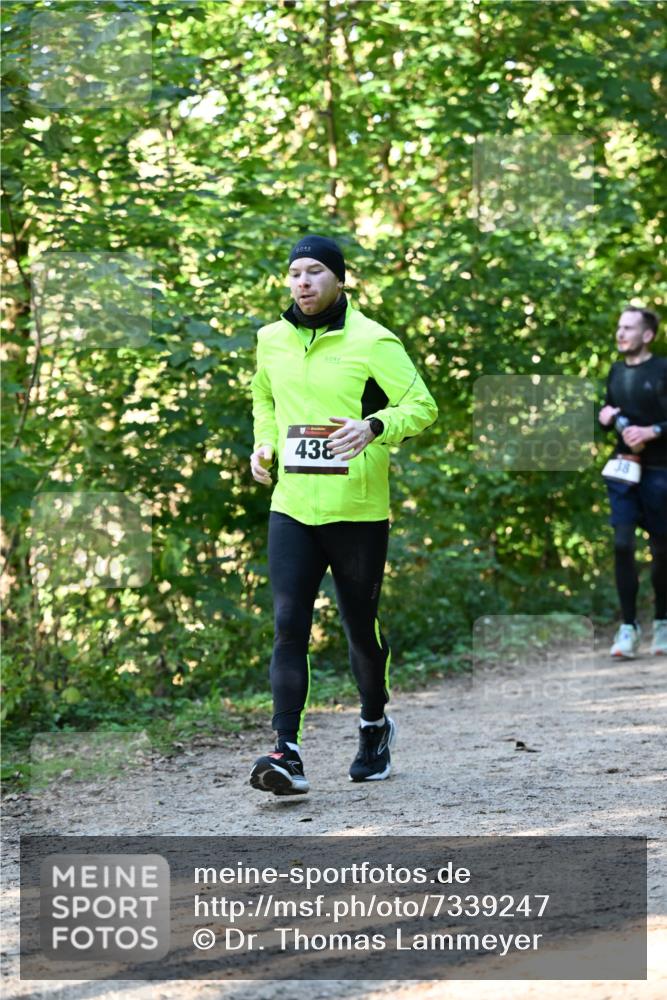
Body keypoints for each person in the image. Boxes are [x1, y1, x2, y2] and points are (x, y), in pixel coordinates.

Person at [247, 235, 437, 795]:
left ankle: (374, 724)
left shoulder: (374, 340)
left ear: (339, 279)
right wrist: (263, 446)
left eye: (313, 272)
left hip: (357, 509)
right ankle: (286, 751)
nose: (301, 282)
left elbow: (420, 406)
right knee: (288, 627)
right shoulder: (271, 339)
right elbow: (264, 400)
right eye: (293, 273)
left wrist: (375, 426)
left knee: (358, 626)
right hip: (293, 506)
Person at [598, 305, 667, 658]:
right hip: (624, 471)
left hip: (660, 472)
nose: (620, 333)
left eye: (628, 328)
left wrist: (653, 431)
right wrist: (606, 418)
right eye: (619, 327)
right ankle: (628, 627)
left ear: (648, 335)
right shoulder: (615, 371)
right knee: (622, 544)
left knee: (661, 552)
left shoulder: (663, 369)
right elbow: (608, 414)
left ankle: (662, 622)